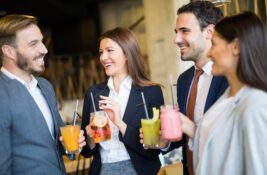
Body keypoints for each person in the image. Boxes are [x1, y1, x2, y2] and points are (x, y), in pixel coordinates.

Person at [181, 11, 267, 175]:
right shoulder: (229, 95)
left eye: (214, 44)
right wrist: (188, 127)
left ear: (235, 47)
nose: (209, 52)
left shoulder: (256, 105)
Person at [0, 14, 85, 174]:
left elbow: (57, 142)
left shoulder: (45, 86)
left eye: (41, 41)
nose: (44, 49)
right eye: (34, 44)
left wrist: (70, 145)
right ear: (9, 51)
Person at [81, 27, 164, 175]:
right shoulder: (93, 94)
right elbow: (86, 152)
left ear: (127, 54)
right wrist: (90, 139)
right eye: (101, 52)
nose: (103, 57)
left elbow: (153, 150)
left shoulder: (151, 92)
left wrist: (119, 123)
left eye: (109, 50)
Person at [160, 1, 228, 175]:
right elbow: (184, 138)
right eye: (176, 32)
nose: (176, 40)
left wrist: (191, 127)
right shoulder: (183, 80)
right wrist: (165, 140)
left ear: (209, 32)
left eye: (185, 31)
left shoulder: (231, 78)